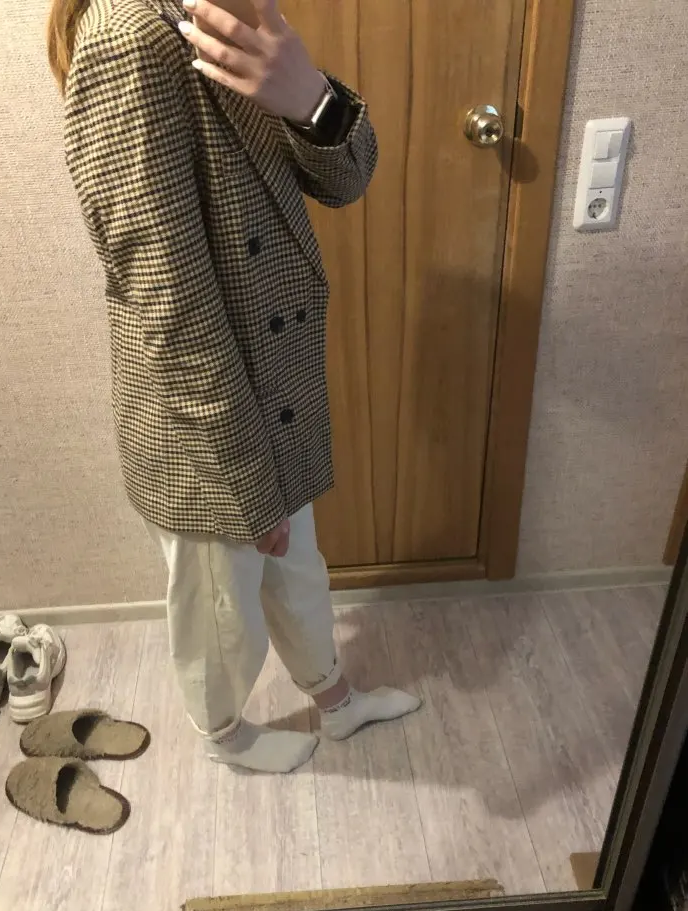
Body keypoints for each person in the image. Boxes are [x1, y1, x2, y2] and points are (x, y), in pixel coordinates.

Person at [48, 0, 421, 773]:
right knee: (221, 613)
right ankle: (224, 736)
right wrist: (247, 477)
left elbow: (348, 179)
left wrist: (309, 96)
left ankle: (335, 702)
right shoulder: (126, 41)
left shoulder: (216, 16)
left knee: (298, 569)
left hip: (274, 391)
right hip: (208, 425)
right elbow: (168, 303)